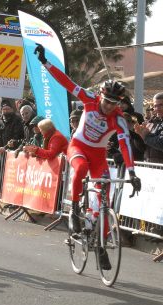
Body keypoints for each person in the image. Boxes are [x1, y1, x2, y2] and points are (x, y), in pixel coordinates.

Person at [35, 44, 140, 267]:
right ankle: (74, 210)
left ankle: (100, 245)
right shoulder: (89, 99)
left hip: (99, 156)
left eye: (114, 103)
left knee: (104, 201)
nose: (109, 106)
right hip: (79, 147)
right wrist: (45, 62)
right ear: (101, 96)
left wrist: (132, 172)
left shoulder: (119, 119)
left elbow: (125, 144)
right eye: (107, 101)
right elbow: (66, 82)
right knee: (80, 169)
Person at [134, 92, 163, 163]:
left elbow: (161, 143)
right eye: (155, 106)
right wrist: (138, 135)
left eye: (161, 105)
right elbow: (142, 148)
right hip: (149, 166)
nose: (157, 109)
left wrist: (145, 136)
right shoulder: (150, 122)